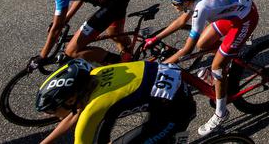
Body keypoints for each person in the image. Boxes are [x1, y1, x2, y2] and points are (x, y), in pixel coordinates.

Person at [143, 0, 259, 137]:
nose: (173, 5)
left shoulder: (201, 7)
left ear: (186, 1)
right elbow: (181, 21)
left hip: (244, 20)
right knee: (203, 44)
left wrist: (157, 67)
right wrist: (155, 39)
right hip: (232, 14)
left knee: (216, 67)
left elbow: (187, 49)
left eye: (175, 2)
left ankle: (221, 113)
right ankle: (229, 56)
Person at [36, 58, 196, 144]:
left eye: (51, 110)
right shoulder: (95, 75)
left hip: (177, 110)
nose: (51, 115)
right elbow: (76, 114)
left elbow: (82, 126)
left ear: (70, 100)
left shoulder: (94, 108)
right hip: (172, 94)